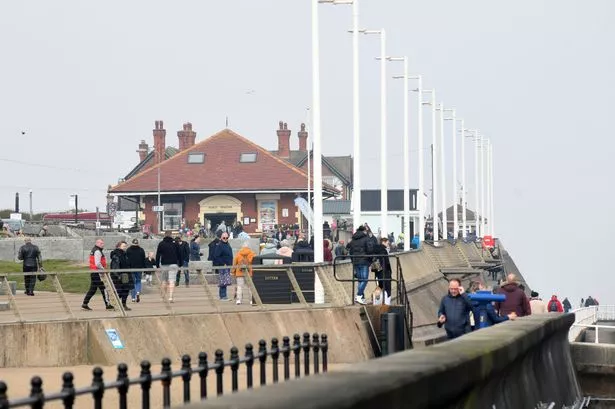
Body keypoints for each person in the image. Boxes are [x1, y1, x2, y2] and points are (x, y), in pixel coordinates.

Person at [346, 225, 375, 305]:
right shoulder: (366, 239)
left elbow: (350, 250)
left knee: (360, 280)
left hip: (356, 261)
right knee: (364, 280)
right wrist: (370, 259)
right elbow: (370, 250)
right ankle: (359, 296)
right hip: (364, 261)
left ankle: (361, 298)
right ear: (364, 231)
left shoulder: (353, 239)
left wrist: (353, 261)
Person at [82, 239, 114, 310]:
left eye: (103, 243)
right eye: (101, 243)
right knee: (104, 288)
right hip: (98, 273)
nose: (103, 245)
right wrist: (104, 270)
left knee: (93, 289)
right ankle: (108, 305)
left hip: (94, 272)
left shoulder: (94, 250)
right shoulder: (97, 251)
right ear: (97, 243)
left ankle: (85, 303)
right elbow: (97, 263)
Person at [156, 231, 181, 303]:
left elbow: (158, 255)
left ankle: (163, 297)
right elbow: (179, 254)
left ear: (164, 235)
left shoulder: (161, 243)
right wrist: (180, 263)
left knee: (164, 281)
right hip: (173, 264)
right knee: (172, 281)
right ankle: (170, 297)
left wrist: (157, 265)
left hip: (164, 264)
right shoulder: (175, 243)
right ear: (171, 235)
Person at [110, 241, 133, 311]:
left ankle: (123, 304)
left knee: (126, 290)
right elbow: (115, 266)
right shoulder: (116, 254)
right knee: (119, 291)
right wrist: (118, 275)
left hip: (126, 274)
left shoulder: (125, 254)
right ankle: (116, 305)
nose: (125, 247)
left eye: (125, 246)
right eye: (123, 246)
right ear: (119, 246)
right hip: (119, 275)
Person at [212, 232, 234, 301]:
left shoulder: (227, 244)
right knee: (223, 281)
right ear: (221, 238)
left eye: (226, 238)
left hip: (227, 266)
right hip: (223, 266)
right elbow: (216, 256)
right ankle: (223, 296)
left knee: (225, 281)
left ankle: (224, 295)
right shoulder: (220, 245)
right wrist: (223, 263)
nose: (225, 239)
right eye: (224, 238)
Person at [126, 238, 146, 303]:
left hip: (131, 268)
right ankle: (138, 292)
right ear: (138, 243)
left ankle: (133, 298)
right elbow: (144, 259)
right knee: (138, 281)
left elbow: (127, 259)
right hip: (139, 268)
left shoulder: (128, 250)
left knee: (132, 282)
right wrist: (144, 268)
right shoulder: (141, 250)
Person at [373, 237, 392, 303]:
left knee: (379, 286)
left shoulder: (376, 250)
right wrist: (389, 272)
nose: (388, 244)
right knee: (387, 288)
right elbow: (386, 262)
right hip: (385, 272)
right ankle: (387, 303)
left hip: (378, 272)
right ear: (383, 242)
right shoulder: (383, 250)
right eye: (387, 243)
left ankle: (376, 301)